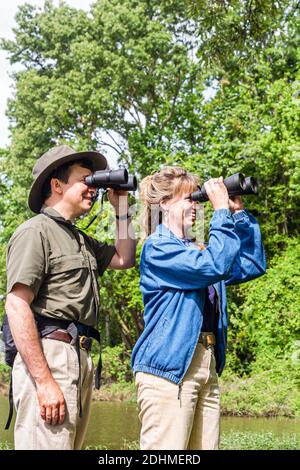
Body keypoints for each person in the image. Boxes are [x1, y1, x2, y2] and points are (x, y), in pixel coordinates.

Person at [5, 145, 136, 450]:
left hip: (80, 357)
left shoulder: (79, 238)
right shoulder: (35, 231)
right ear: (57, 185)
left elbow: (123, 258)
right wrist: (45, 381)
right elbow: (16, 304)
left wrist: (122, 209)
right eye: (85, 180)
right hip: (50, 355)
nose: (94, 188)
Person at [131, 166, 266, 450]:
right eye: (189, 198)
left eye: (197, 198)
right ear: (164, 204)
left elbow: (251, 265)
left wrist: (238, 215)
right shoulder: (157, 249)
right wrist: (220, 213)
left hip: (207, 364)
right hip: (169, 370)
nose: (196, 204)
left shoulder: (200, 249)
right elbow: (215, 266)